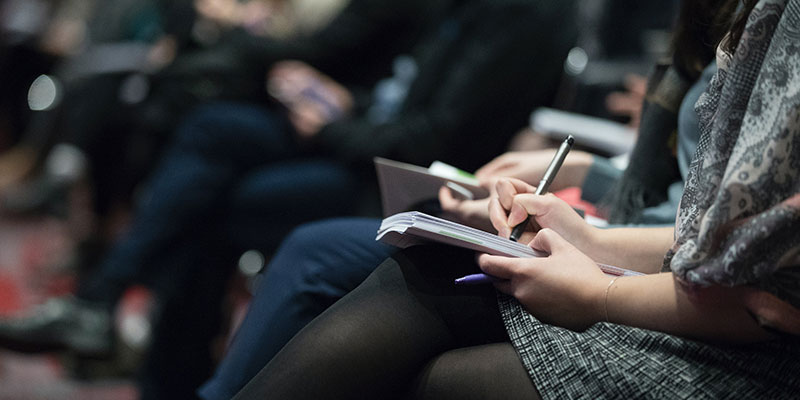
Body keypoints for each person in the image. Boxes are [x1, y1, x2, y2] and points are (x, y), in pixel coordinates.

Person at [0, 0, 578, 398]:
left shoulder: (523, 14)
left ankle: (135, 338)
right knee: (210, 129)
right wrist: (337, 102)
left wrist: (328, 122)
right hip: (362, 140)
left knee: (215, 202)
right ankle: (115, 317)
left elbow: (431, 137)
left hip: (412, 183)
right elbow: (390, 89)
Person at [229, 0, 800, 398]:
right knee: (405, 264)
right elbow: (707, 229)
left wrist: (599, 288)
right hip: (670, 268)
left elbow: (760, 292)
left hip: (750, 356)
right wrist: (590, 234)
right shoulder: (742, 20)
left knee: (407, 337)